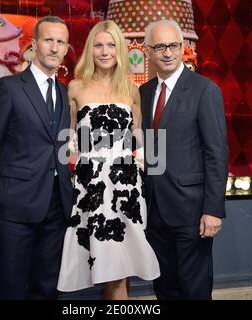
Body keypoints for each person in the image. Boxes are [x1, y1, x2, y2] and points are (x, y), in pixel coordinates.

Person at [57, 20, 160, 300]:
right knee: (108, 266)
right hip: (91, 188)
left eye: (111, 44)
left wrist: (144, 168)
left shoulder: (131, 91)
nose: (105, 51)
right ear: (90, 50)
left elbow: (138, 139)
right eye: (98, 45)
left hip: (126, 188)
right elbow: (67, 141)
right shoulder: (75, 88)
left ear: (121, 50)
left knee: (120, 266)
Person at [0, 16, 73, 300]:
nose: (55, 48)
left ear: (66, 48)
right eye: (48, 40)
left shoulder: (63, 91)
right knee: (11, 288)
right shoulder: (9, 87)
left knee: (46, 288)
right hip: (15, 208)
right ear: (34, 45)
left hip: (56, 207)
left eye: (61, 42)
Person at [140, 19, 228, 300]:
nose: (167, 52)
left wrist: (213, 210)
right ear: (147, 51)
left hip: (192, 212)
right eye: (160, 46)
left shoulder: (205, 90)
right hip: (153, 211)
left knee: (195, 289)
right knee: (164, 287)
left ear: (183, 48)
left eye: (174, 45)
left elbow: (216, 153)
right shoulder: (142, 93)